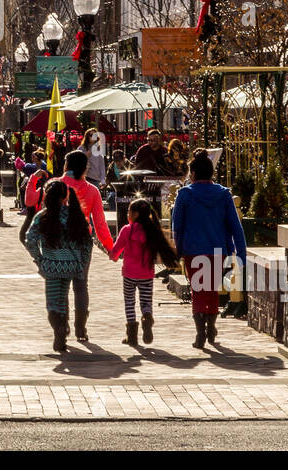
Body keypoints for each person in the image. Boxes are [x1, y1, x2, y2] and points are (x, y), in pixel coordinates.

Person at [171, 148, 247, 351]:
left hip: (192, 249)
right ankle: (211, 327)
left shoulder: (184, 195)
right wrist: (241, 252)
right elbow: (235, 226)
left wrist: (177, 248)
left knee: (198, 290)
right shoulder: (223, 195)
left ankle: (200, 332)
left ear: (193, 174)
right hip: (217, 249)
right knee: (212, 289)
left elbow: (177, 225)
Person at [25, 179, 93, 354]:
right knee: (62, 295)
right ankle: (62, 329)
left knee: (53, 302)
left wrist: (39, 260)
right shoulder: (75, 215)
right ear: (66, 196)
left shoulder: (43, 216)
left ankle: (59, 329)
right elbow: (87, 242)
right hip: (71, 266)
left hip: (52, 267)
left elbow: (30, 240)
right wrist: (81, 261)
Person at [59, 150, 114, 343]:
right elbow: (100, 224)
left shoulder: (57, 186)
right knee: (81, 286)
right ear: (85, 168)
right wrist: (111, 248)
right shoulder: (92, 190)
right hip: (82, 241)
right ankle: (80, 328)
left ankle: (62, 326)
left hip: (60, 242)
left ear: (66, 166)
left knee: (62, 286)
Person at [110, 198, 178, 346]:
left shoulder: (127, 230)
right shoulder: (152, 231)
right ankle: (147, 318)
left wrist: (113, 256)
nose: (127, 214)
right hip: (146, 273)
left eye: (129, 211)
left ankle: (132, 336)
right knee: (146, 301)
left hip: (128, 273)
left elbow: (115, 251)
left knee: (129, 302)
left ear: (135, 214)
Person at [19, 162, 50, 245]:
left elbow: (28, 195)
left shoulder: (38, 194)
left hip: (31, 228)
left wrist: (33, 178)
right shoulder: (53, 194)